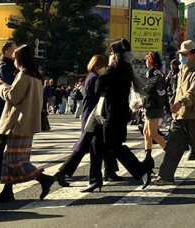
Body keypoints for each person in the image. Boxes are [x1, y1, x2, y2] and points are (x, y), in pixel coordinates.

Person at [0, 45, 55, 203]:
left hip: (18, 122)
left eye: (15, 58)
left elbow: (13, 96)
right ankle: (7, 191)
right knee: (8, 158)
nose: (14, 61)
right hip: (27, 121)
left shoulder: (23, 75)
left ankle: (43, 178)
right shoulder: (36, 75)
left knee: (14, 160)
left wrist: (1, 87)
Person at [85, 39, 154, 192]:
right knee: (97, 144)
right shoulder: (126, 68)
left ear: (114, 54)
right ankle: (95, 179)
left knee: (114, 146)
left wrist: (106, 70)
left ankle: (141, 169)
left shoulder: (113, 69)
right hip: (117, 114)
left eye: (111, 52)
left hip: (110, 115)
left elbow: (98, 86)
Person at [155, 41, 195, 184]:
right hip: (180, 115)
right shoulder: (183, 68)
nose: (182, 56)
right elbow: (180, 90)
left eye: (185, 54)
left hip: (193, 114)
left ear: (194, 54)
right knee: (173, 146)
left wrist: (180, 102)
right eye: (181, 54)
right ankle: (165, 176)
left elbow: (193, 93)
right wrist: (174, 103)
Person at [54, 55, 121, 188]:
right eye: (102, 66)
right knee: (85, 147)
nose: (104, 68)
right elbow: (98, 97)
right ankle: (63, 172)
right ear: (96, 65)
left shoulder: (91, 77)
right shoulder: (94, 78)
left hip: (93, 116)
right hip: (93, 117)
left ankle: (108, 172)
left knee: (100, 145)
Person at [0, 41, 17, 181]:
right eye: (13, 50)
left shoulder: (9, 65)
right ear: (6, 51)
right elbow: (12, 86)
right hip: (2, 108)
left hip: (5, 107)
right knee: (2, 140)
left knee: (4, 140)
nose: (15, 53)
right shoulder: (3, 66)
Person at [141, 52, 167, 161]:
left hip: (153, 105)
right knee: (146, 131)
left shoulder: (152, 73)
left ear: (151, 61)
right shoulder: (159, 73)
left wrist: (139, 87)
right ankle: (148, 156)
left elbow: (149, 89)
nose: (146, 62)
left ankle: (170, 151)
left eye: (147, 59)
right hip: (155, 105)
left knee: (152, 133)